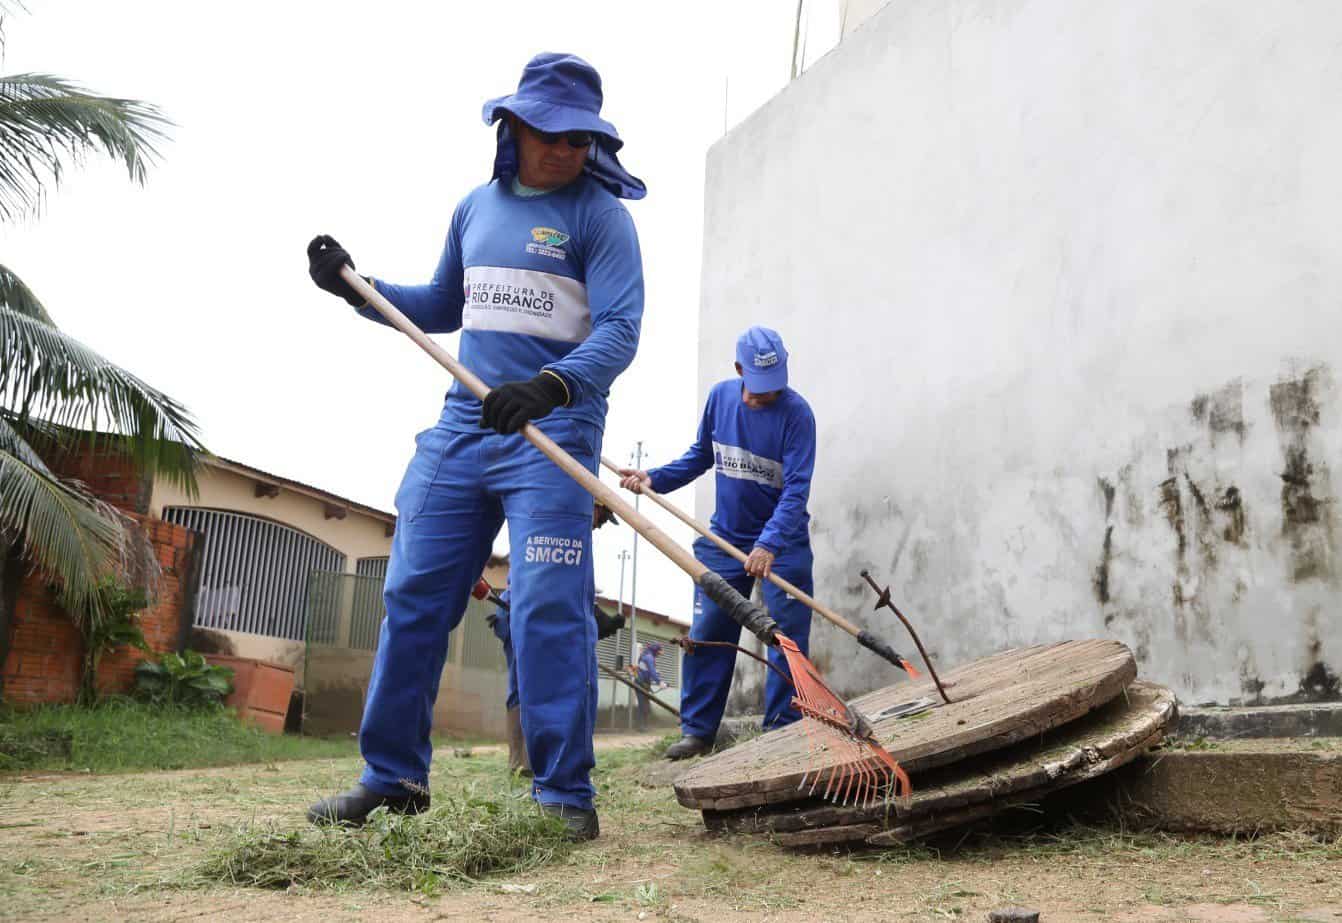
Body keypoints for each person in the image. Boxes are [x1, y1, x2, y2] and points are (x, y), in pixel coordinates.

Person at [304, 53, 645, 840]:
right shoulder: (475, 209)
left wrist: (554, 386)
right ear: (513, 127)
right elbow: (440, 305)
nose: (565, 151)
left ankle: (563, 795)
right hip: (466, 424)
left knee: (549, 609)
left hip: (553, 427)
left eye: (579, 139)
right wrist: (358, 286)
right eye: (551, 135)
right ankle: (392, 777)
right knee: (412, 593)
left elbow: (621, 329)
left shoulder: (601, 218)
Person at [620, 326, 815, 760]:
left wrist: (768, 544)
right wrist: (655, 479)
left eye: (774, 386)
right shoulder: (720, 398)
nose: (766, 395)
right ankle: (698, 732)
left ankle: (782, 730)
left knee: (786, 636)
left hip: (782, 542)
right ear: (739, 370)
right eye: (759, 386)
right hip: (725, 538)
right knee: (710, 632)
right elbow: (699, 457)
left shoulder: (798, 415)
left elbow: (796, 490)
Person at [487, 502, 625, 775]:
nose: (599, 525)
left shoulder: (575, 535)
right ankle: (521, 762)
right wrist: (595, 616)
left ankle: (539, 758)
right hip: (521, 612)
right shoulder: (550, 527)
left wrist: (596, 617)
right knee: (523, 684)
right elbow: (551, 582)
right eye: (602, 518)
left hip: (535, 614)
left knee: (542, 684)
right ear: (593, 506)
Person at [630, 640, 664, 732]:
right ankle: (640, 726)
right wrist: (659, 682)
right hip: (641, 683)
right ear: (655, 650)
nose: (660, 653)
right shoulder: (649, 657)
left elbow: (646, 670)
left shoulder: (646, 655)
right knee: (642, 705)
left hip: (644, 683)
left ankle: (644, 725)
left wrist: (657, 674)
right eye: (659, 651)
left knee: (645, 705)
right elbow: (651, 671)